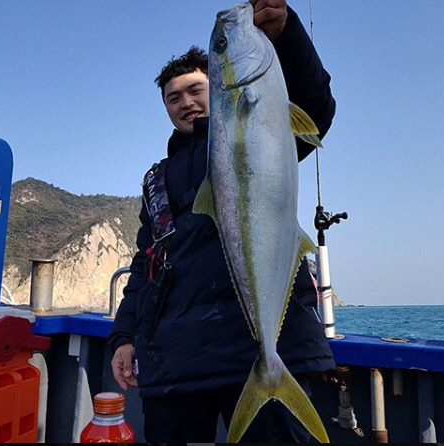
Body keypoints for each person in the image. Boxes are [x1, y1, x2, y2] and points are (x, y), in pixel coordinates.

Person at [109, 0, 336, 442]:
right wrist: (123, 335)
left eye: (196, 90)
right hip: (175, 363)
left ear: (217, 84)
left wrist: (286, 33)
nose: (186, 103)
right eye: (173, 98)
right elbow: (144, 264)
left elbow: (315, 105)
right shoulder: (156, 178)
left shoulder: (264, 132)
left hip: (257, 348)